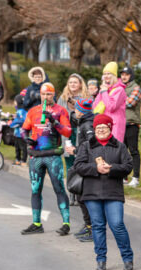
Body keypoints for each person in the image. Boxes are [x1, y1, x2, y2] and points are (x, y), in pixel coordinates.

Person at [73, 114, 134, 270]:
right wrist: (95, 168)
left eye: (104, 127)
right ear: (94, 129)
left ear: (110, 128)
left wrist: (112, 168)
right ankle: (101, 259)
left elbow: (128, 166)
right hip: (92, 193)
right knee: (98, 226)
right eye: (98, 127)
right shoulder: (86, 146)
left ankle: (127, 258)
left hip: (113, 193)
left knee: (117, 225)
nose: (100, 130)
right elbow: (78, 166)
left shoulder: (119, 146)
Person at [20, 82, 72, 236]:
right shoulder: (34, 111)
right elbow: (24, 129)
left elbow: (68, 132)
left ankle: (66, 223)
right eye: (43, 94)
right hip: (36, 156)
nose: (45, 97)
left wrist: (54, 121)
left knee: (59, 188)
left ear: (53, 94)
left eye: (48, 94)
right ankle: (37, 223)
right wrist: (27, 139)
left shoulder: (60, 111)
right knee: (35, 190)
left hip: (53, 156)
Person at [58, 73, 90, 204]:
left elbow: (89, 113)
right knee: (70, 163)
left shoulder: (86, 98)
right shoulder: (63, 98)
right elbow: (59, 114)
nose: (72, 85)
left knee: (80, 161)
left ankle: (80, 191)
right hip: (67, 133)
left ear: (80, 84)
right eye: (70, 82)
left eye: (75, 82)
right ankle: (71, 191)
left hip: (80, 132)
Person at [66, 98, 95, 242]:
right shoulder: (83, 121)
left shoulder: (88, 124)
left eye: (77, 109)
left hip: (87, 164)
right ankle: (88, 225)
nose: (75, 111)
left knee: (84, 197)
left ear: (82, 111)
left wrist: (75, 150)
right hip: (82, 161)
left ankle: (92, 229)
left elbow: (91, 143)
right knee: (80, 196)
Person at [92, 62, 127, 142]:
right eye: (104, 74)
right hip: (103, 124)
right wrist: (102, 91)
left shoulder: (119, 90)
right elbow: (95, 106)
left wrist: (104, 92)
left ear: (114, 75)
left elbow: (111, 107)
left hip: (115, 125)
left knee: (113, 149)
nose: (106, 76)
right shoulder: (104, 89)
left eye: (109, 73)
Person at [120, 66, 141, 188]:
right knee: (122, 151)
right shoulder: (120, 87)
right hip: (121, 124)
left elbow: (130, 102)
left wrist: (118, 99)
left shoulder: (136, 87)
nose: (124, 76)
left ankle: (136, 177)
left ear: (131, 76)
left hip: (132, 124)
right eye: (122, 74)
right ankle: (124, 176)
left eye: (126, 74)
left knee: (133, 151)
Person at [10, 94, 28, 166]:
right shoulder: (18, 110)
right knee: (17, 147)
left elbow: (22, 121)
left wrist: (13, 124)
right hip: (16, 133)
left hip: (21, 133)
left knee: (23, 147)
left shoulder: (22, 111)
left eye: (15, 101)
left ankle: (23, 160)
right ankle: (17, 159)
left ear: (18, 102)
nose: (14, 102)